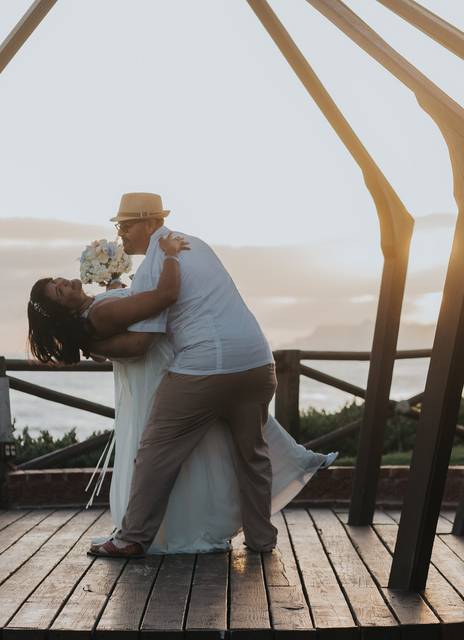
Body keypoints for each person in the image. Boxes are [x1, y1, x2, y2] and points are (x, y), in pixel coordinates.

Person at [26, 192, 335, 555]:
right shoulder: (196, 244)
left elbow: (144, 340)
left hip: (205, 368)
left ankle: (131, 539)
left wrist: (95, 347)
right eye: (119, 225)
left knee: (156, 453)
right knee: (252, 455)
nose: (120, 233)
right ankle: (261, 539)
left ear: (150, 223)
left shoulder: (159, 260)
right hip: (257, 362)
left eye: (125, 225)